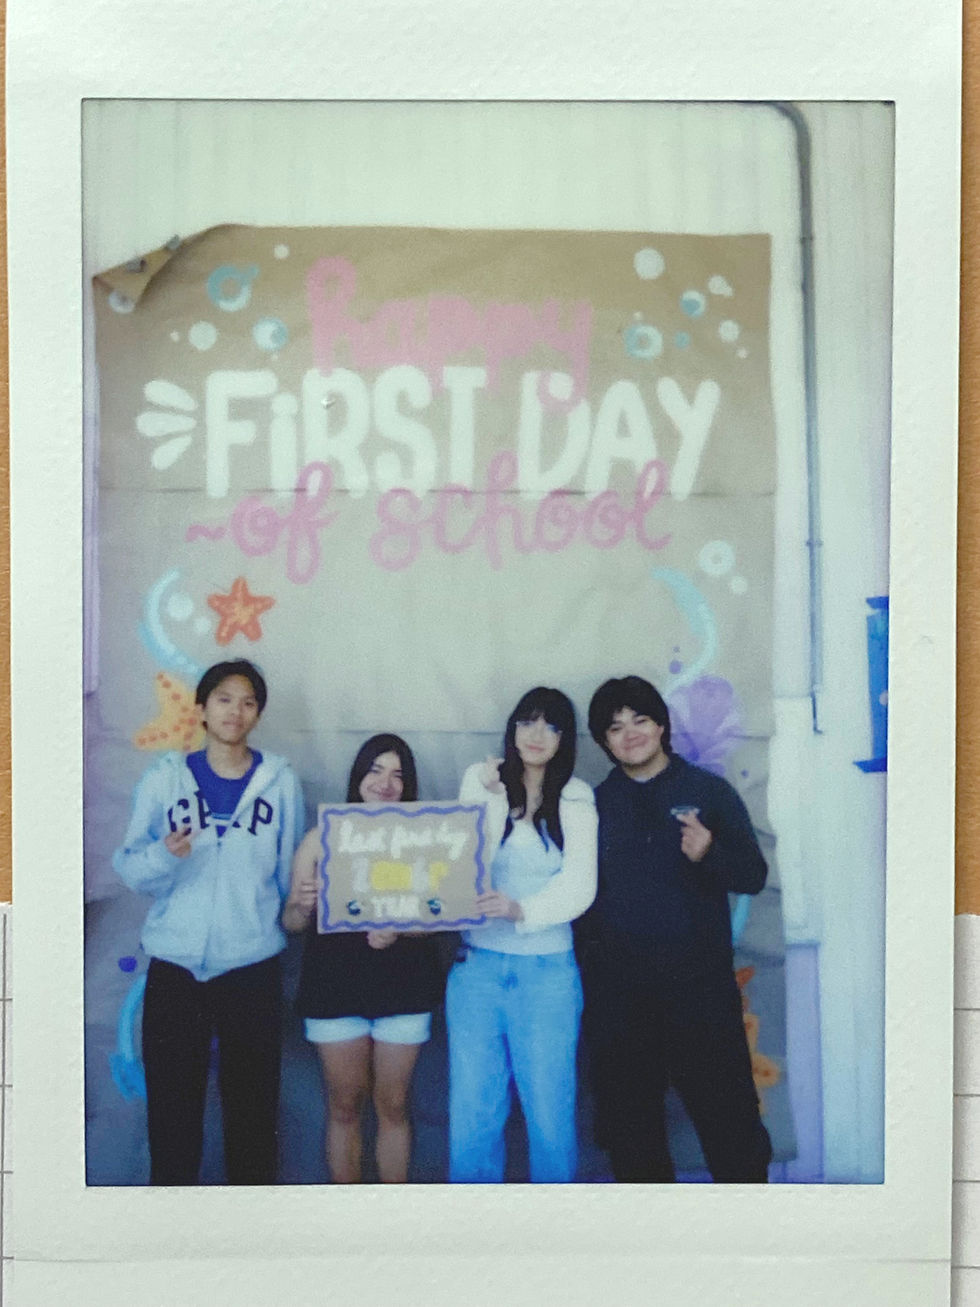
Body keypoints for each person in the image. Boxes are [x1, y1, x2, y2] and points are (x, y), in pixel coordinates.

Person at [113, 659, 305, 1185]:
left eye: (247, 702)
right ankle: (172, 1228)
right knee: (172, 1121)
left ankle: (248, 1230)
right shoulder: (164, 779)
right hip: (175, 968)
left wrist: (297, 914)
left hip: (252, 968)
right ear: (201, 708)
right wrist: (165, 855)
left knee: (253, 1119)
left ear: (258, 714)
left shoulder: (280, 783)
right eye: (223, 699)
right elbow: (130, 867)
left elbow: (288, 875)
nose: (234, 711)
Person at [578, 674, 772, 1183]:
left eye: (640, 720)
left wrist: (710, 852)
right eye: (615, 727)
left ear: (662, 725)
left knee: (733, 1133)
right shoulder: (593, 806)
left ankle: (752, 1229)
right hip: (621, 1003)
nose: (630, 734)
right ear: (603, 741)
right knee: (632, 1140)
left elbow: (753, 875)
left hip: (700, 996)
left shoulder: (708, 791)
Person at [447, 687, 597, 1183]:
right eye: (528, 722)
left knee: (551, 1113)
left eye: (551, 726)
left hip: (548, 974)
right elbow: (466, 868)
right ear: (512, 729)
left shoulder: (576, 795)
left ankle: (555, 1225)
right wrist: (490, 797)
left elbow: (581, 886)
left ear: (565, 738)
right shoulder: (480, 779)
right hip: (477, 970)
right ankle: (473, 1223)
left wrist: (521, 910)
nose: (537, 735)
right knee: (474, 1115)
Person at [283, 734, 446, 1184]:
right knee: (344, 1106)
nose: (385, 783)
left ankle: (391, 1212)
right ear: (358, 777)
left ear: (408, 786)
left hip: (404, 986)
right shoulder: (320, 838)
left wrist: (400, 929)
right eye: (375, 770)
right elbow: (291, 922)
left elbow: (439, 917)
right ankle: (349, 1213)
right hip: (334, 985)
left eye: (397, 775)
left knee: (393, 1105)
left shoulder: (423, 839)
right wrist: (302, 905)